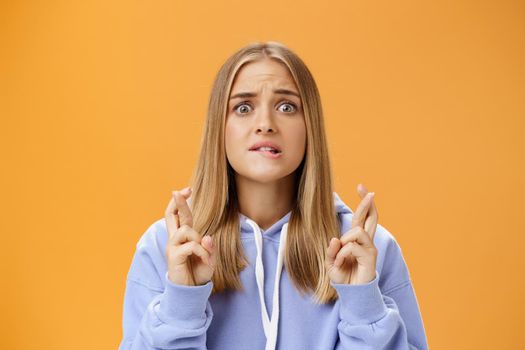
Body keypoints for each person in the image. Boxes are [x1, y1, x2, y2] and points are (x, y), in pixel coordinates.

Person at [118, 41, 428, 350]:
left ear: (310, 128)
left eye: (286, 107)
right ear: (219, 128)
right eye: (243, 108)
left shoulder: (369, 249)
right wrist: (182, 301)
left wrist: (363, 304)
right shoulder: (165, 248)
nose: (265, 124)